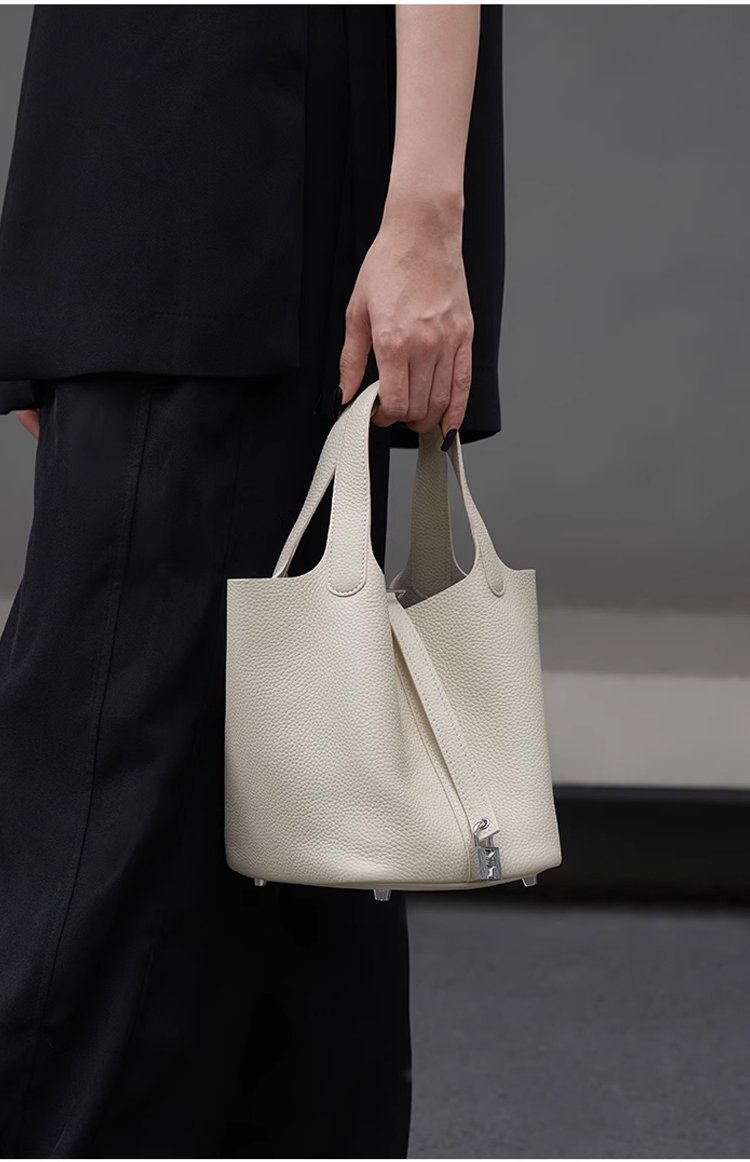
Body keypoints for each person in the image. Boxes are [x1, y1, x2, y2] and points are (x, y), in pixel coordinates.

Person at [0, 5, 505, 1158]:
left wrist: (425, 215)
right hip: (157, 195)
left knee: (121, 839)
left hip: (234, 186)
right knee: (292, 838)